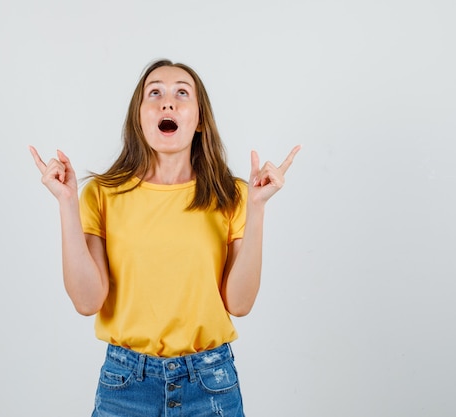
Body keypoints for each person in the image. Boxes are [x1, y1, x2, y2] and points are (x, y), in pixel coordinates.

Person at [29, 58, 300, 417]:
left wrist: (258, 208)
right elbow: (87, 301)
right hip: (125, 385)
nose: (167, 102)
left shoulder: (232, 195)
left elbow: (240, 304)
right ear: (139, 117)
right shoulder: (102, 194)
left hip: (210, 383)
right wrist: (66, 203)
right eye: (154, 93)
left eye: (181, 93)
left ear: (200, 119)